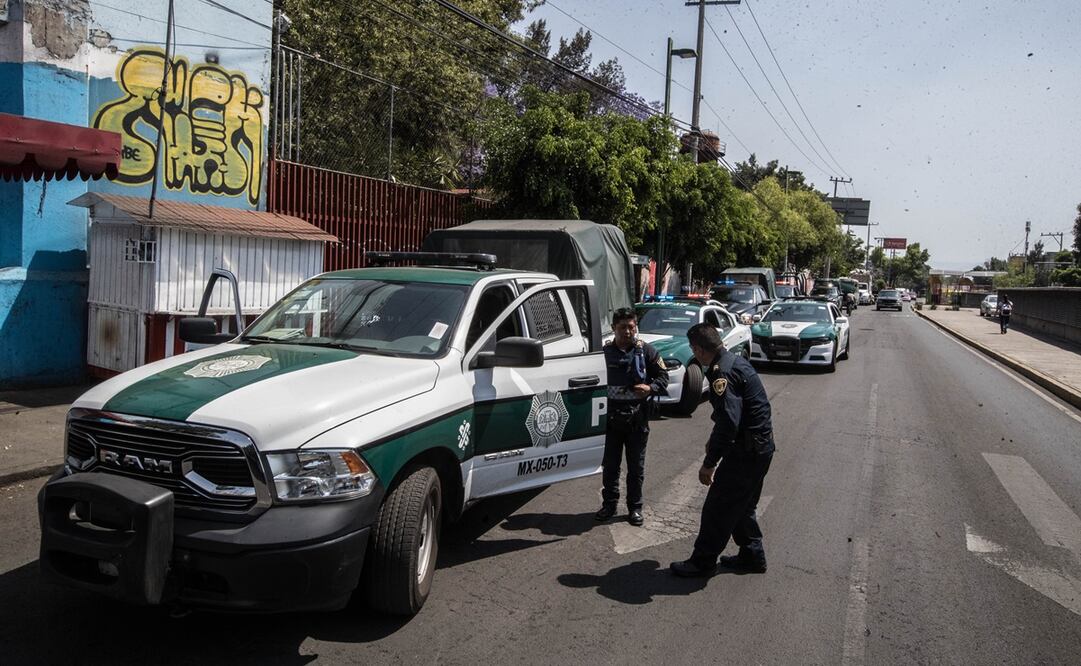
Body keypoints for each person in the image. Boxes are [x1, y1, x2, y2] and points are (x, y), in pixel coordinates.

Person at [670, 323, 776, 577]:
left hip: (746, 453)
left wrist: (710, 462)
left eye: (693, 349)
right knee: (741, 506)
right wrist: (713, 440)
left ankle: (702, 562)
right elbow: (730, 417)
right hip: (760, 448)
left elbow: (729, 421)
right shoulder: (733, 362)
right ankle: (752, 556)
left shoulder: (722, 373)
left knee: (718, 508)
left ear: (698, 349)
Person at [595, 308, 668, 526]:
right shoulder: (604, 353)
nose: (628, 331)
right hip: (610, 420)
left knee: (636, 468)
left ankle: (635, 508)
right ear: (613, 328)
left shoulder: (646, 351)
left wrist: (651, 387)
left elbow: (663, 377)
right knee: (610, 467)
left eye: (631, 326)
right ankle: (609, 505)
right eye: (623, 327)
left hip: (637, 420)